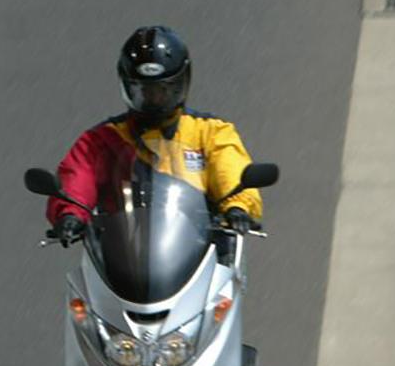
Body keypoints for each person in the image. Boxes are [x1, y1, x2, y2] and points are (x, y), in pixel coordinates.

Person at [46, 26, 263, 246]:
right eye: (144, 90)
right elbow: (77, 176)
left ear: (183, 83)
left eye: (164, 89)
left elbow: (230, 168)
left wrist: (238, 208)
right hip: (122, 255)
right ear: (127, 86)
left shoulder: (211, 132)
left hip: (201, 252)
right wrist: (70, 215)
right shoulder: (102, 139)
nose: (154, 98)